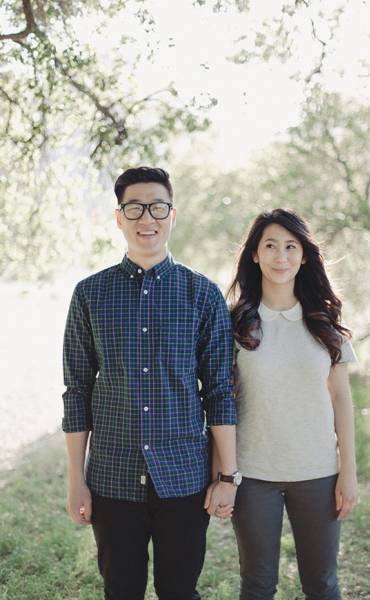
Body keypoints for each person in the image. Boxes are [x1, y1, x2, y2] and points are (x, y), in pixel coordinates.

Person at [62, 167, 239, 600]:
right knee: (121, 590)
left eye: (157, 207)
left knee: (179, 591)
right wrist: (75, 480)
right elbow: (77, 391)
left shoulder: (203, 294)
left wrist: (227, 476)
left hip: (184, 478)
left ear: (172, 216)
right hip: (111, 477)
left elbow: (219, 392)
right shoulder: (90, 294)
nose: (147, 218)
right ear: (118, 218)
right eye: (135, 207)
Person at [228, 208, 358, 600]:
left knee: (321, 583)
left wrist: (347, 472)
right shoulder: (234, 323)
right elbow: (222, 402)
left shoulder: (325, 323)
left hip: (318, 473)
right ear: (255, 254)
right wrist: (224, 472)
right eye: (270, 245)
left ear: (304, 256)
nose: (280, 256)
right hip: (253, 476)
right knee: (257, 583)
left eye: (290, 246)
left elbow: (341, 399)